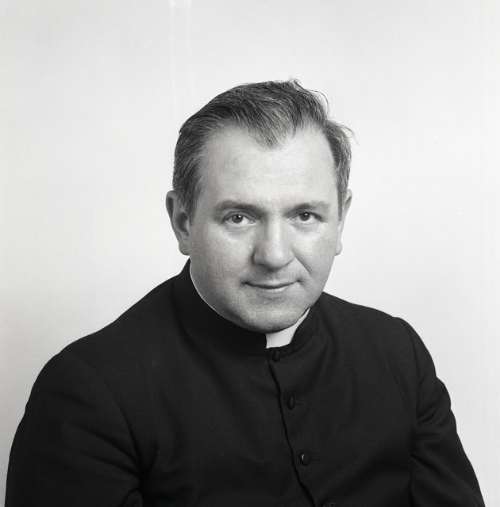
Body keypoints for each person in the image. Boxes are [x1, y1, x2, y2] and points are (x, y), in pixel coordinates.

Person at [6, 80, 484, 507]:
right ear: (183, 222)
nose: (274, 255)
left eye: (305, 216)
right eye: (239, 217)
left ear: (341, 221)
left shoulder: (397, 352)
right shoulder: (87, 393)